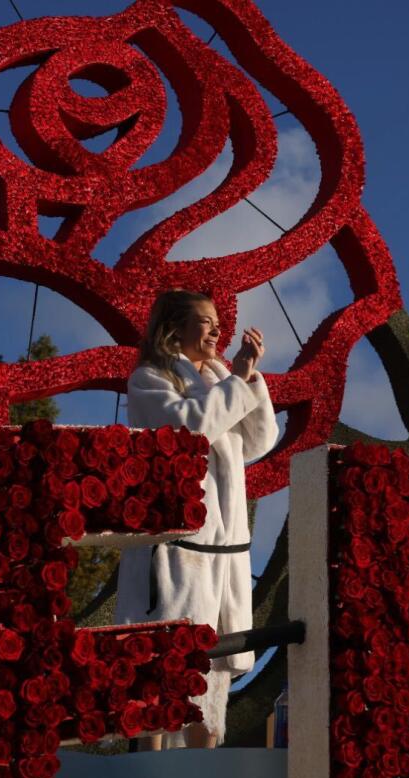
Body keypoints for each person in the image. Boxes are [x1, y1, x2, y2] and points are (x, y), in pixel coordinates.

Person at [115, 290, 278, 749]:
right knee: (164, 677)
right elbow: (188, 429)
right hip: (177, 551)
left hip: (224, 551)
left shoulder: (220, 379)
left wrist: (248, 380)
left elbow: (260, 439)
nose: (217, 330)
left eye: (217, 322)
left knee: (213, 679)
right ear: (175, 328)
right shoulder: (149, 380)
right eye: (204, 322)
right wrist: (234, 386)